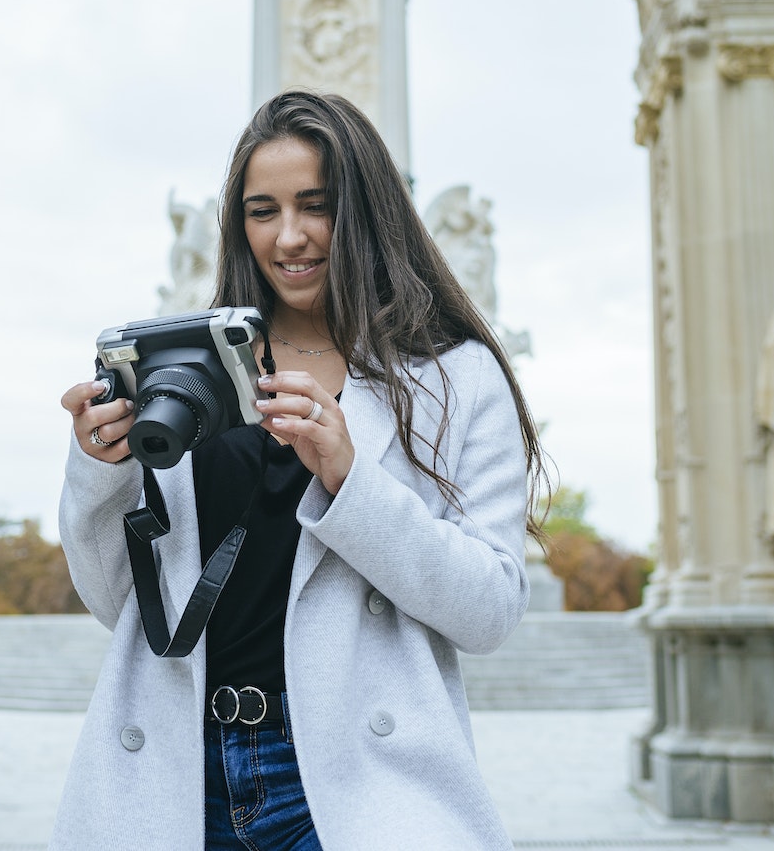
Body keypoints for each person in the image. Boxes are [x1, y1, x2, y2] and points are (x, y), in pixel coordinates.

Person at [54, 90, 547, 851]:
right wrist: (100, 470)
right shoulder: (187, 367)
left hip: (355, 784)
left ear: (367, 209)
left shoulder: (453, 375)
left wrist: (353, 477)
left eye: (316, 205)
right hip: (176, 778)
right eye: (262, 210)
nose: (289, 236)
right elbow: (119, 603)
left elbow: (489, 610)